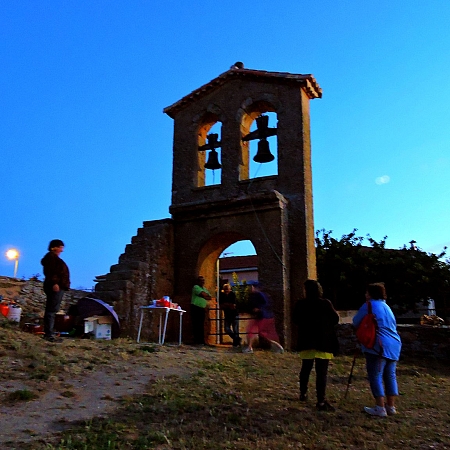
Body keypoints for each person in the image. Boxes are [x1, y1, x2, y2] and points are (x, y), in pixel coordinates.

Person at [353, 282, 402, 417]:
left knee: (375, 375)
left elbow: (356, 321)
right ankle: (390, 406)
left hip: (378, 345)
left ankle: (380, 407)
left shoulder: (368, 305)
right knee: (390, 375)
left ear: (370, 293)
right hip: (394, 343)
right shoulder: (387, 307)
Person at [293, 279, 339, 411]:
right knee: (321, 372)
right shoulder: (325, 303)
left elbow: (295, 320)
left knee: (305, 369)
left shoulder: (301, 304)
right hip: (323, 341)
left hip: (307, 340)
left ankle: (303, 393)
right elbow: (335, 319)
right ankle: (321, 401)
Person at [41, 239, 70, 342]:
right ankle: (49, 334)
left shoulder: (54, 258)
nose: (62, 250)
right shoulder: (51, 258)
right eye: (60, 247)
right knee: (51, 310)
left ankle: (49, 333)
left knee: (52, 309)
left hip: (58, 286)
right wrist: (54, 283)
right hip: (55, 286)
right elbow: (51, 272)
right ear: (55, 247)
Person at [242, 281, 284, 354]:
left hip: (263, 316)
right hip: (259, 316)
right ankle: (249, 347)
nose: (251, 288)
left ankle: (278, 347)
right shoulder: (255, 295)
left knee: (262, 333)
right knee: (251, 331)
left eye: (252, 286)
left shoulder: (260, 295)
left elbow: (266, 304)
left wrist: (259, 308)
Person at [191, 276, 212, 345]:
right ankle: (196, 340)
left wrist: (204, 296)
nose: (203, 282)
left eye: (203, 280)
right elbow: (202, 294)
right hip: (195, 307)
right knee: (196, 324)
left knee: (201, 324)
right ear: (198, 281)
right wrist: (204, 295)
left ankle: (201, 341)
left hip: (202, 308)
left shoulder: (204, 289)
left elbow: (209, 297)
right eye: (201, 280)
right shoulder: (196, 287)